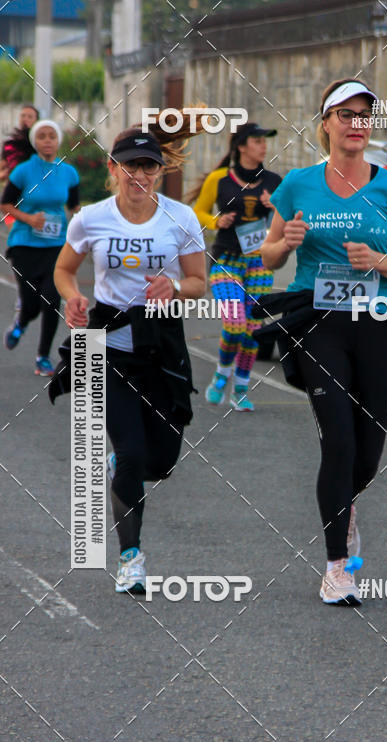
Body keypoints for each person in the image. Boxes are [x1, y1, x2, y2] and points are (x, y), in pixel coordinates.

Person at [261, 78, 387, 606]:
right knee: (338, 439)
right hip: (318, 321)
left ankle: (345, 507)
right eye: (346, 114)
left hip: (376, 319)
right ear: (325, 124)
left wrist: (376, 262)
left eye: (364, 115)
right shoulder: (297, 185)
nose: (357, 123)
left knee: (368, 454)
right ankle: (337, 566)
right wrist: (282, 243)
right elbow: (267, 257)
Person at [52, 123, 206, 594]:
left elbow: (200, 281)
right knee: (134, 454)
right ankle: (131, 558)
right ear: (113, 169)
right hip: (107, 347)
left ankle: (126, 470)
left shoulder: (181, 218)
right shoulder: (91, 219)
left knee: (160, 460)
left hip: (161, 347)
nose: (140, 174)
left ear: (160, 172)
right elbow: (63, 269)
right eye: (131, 165)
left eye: (149, 166)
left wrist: (175, 287)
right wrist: (72, 299)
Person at [193, 122, 281, 411]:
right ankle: (222, 373)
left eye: (264, 140)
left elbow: (287, 219)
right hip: (227, 261)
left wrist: (275, 207)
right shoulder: (219, 179)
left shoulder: (274, 182)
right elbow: (199, 211)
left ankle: (240, 388)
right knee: (234, 324)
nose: (263, 145)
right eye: (257, 140)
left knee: (253, 330)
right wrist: (216, 221)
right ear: (241, 146)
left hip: (260, 262)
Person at [1, 118, 79, 376]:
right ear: (35, 142)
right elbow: (6, 204)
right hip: (24, 244)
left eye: (52, 136)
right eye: (42, 136)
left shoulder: (69, 172)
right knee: (32, 303)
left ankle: (43, 357)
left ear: (58, 141)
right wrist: (29, 219)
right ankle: (20, 324)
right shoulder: (23, 171)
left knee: (52, 298)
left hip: (56, 245)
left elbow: (75, 208)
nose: (48, 140)